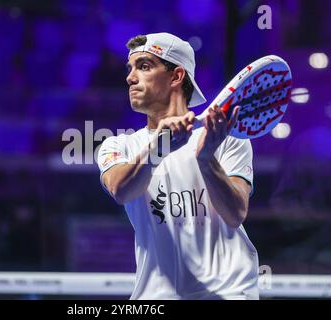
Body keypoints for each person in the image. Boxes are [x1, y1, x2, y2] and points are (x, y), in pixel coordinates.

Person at [97, 33, 259, 300]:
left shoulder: (226, 136)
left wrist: (206, 158)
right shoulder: (117, 146)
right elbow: (121, 190)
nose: (130, 77)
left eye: (144, 66)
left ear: (176, 76)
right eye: (130, 69)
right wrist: (159, 148)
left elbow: (235, 213)